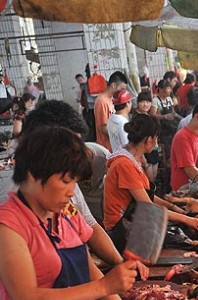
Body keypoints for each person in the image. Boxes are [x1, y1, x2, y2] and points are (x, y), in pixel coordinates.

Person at [0, 126, 156, 300]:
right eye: (65, 181)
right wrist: (106, 286)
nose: (72, 191)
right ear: (32, 174)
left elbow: (88, 271)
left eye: (74, 182)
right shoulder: (9, 225)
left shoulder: (66, 214)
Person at [5, 99, 124, 269]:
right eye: (69, 147)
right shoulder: (14, 215)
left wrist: (120, 264)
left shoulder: (64, 184)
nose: (78, 153)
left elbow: (90, 226)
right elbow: (30, 295)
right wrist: (104, 287)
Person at [104, 114, 198, 252]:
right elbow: (148, 207)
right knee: (191, 245)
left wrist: (173, 206)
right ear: (149, 139)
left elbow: (146, 195)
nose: (157, 142)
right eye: (156, 138)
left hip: (133, 220)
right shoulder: (124, 164)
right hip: (122, 230)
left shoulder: (132, 158)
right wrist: (186, 219)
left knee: (180, 231)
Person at [94, 70, 128, 151]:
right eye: (121, 88)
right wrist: (121, 133)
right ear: (113, 85)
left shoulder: (112, 99)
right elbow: (103, 128)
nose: (122, 92)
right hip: (107, 147)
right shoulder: (101, 101)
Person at [150, 79, 181, 159]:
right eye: (167, 89)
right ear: (161, 89)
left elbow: (173, 112)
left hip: (172, 126)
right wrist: (164, 117)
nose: (169, 91)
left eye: (169, 89)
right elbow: (152, 114)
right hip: (162, 129)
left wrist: (180, 118)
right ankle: (169, 160)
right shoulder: (155, 100)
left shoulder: (169, 99)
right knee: (168, 147)